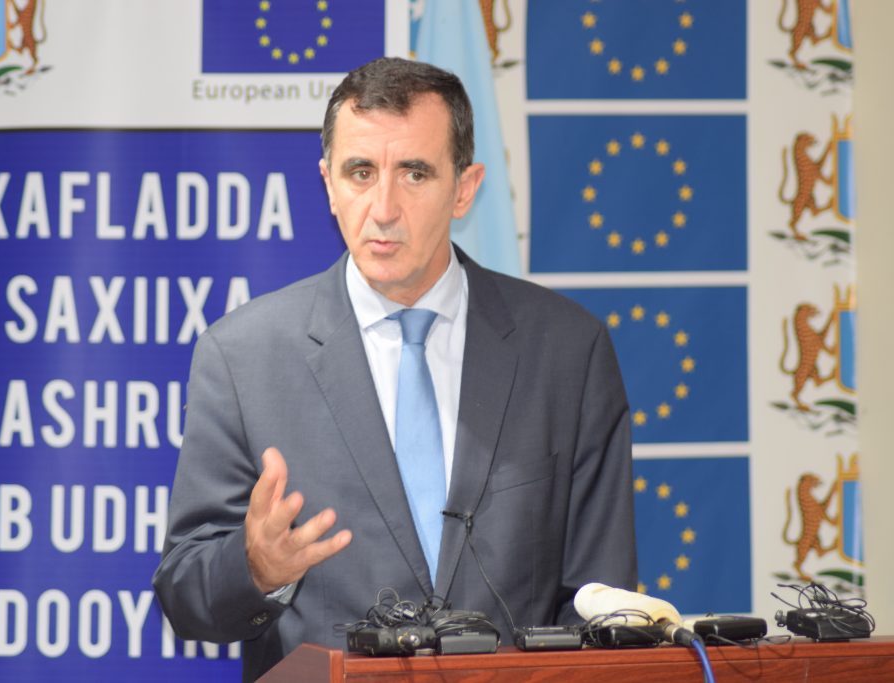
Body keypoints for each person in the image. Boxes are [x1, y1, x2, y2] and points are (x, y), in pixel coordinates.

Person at [153, 57, 636, 681]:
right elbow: (184, 595)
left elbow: (601, 602)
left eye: (414, 173)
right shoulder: (242, 356)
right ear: (329, 184)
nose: (383, 208)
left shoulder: (567, 351)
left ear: (464, 188)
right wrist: (256, 568)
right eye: (360, 172)